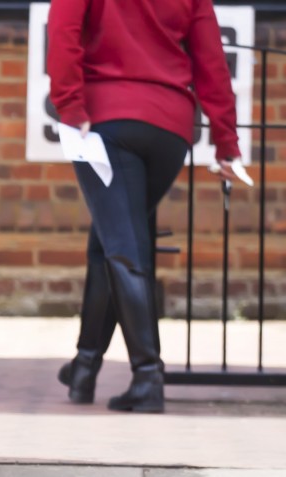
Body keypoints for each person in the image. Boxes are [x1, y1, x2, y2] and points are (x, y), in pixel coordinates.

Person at [46, 0, 244, 413]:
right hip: (170, 130)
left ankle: (148, 377)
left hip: (105, 122)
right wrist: (226, 142)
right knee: (111, 239)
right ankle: (84, 367)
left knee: (122, 247)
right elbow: (211, 61)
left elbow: (63, 31)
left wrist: (70, 104)